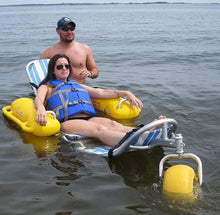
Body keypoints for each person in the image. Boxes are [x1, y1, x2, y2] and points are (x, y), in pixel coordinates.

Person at [35, 54, 165, 147]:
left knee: (114, 125)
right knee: (99, 129)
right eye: (59, 67)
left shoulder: (78, 85)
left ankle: (147, 131)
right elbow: (38, 99)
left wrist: (125, 93)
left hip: (89, 117)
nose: (64, 68)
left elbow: (101, 93)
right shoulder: (47, 87)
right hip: (69, 121)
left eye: (67, 66)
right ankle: (135, 140)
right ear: (53, 70)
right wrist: (41, 108)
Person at [40, 17, 99, 84]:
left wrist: (90, 73)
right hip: (59, 91)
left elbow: (95, 70)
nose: (69, 32)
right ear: (58, 31)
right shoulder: (48, 53)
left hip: (81, 89)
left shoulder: (85, 49)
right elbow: (40, 76)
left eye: (72, 29)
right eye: (65, 29)